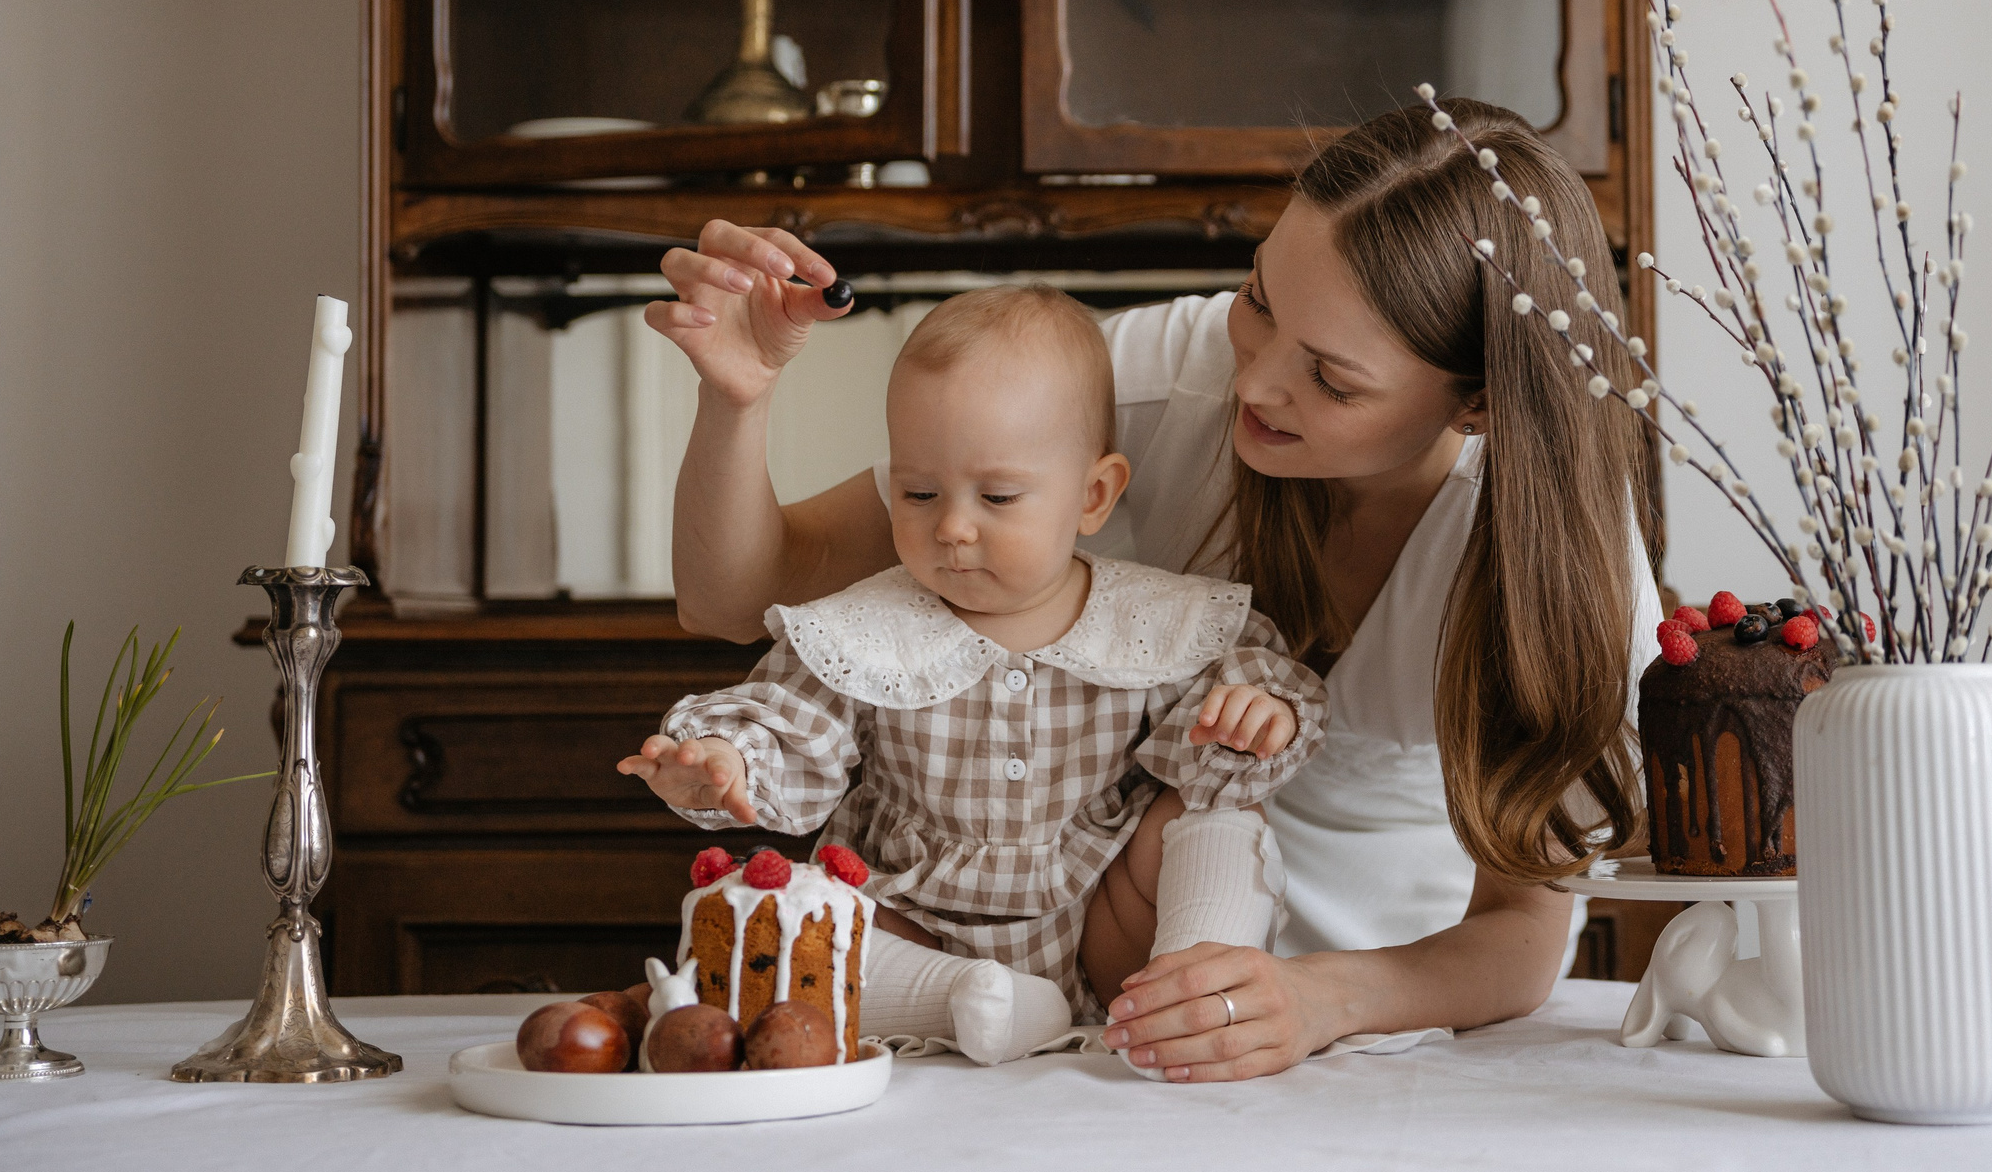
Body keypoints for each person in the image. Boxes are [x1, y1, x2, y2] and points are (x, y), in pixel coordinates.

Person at [646, 98, 1660, 1082]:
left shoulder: (1557, 557)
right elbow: (737, 597)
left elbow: (1521, 934)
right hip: (1096, 984)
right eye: (1258, 299)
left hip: (1392, 1020)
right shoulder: (1146, 379)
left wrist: (1316, 999)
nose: (1255, 383)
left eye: (1331, 380)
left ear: (1476, 403)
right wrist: (736, 397)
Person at [619, 286, 1326, 1067]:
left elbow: (1256, 696)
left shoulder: (1159, 621)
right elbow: (791, 721)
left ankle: (1189, 989)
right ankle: (969, 1001)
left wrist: (1261, 714)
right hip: (916, 922)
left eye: (996, 497)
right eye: (918, 493)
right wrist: (727, 761)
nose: (951, 527)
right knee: (763, 910)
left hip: (1110, 929)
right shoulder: (864, 628)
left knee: (1220, 818)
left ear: (1094, 495)